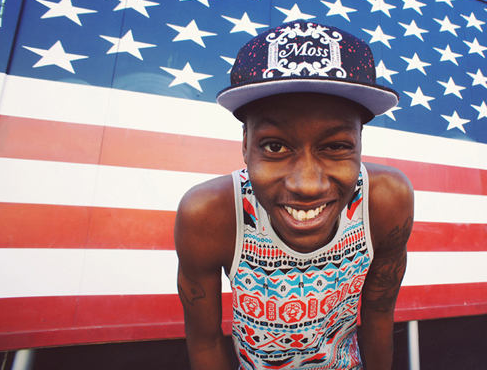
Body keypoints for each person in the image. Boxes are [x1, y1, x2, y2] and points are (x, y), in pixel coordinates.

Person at [175, 20, 414, 370]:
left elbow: (378, 316)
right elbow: (206, 341)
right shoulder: (210, 215)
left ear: (360, 143)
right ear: (245, 144)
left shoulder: (386, 201)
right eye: (275, 146)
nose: (307, 185)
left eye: (336, 146)